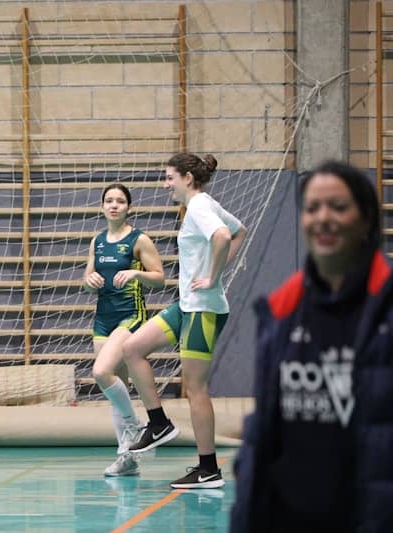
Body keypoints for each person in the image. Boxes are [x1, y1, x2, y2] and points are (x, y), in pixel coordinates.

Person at [231, 161, 393, 532]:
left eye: (338, 207)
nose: (323, 218)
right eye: (312, 208)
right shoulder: (279, 312)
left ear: (366, 219)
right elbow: (264, 432)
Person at [121, 153, 247, 489]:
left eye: (169, 177)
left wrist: (212, 276)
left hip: (203, 309)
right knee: (132, 349)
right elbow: (239, 231)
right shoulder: (204, 203)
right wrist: (212, 273)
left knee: (195, 389)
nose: (166, 184)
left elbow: (222, 236)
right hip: (187, 304)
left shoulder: (199, 207)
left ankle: (208, 469)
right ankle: (159, 423)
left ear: (187, 178)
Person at [85, 183, 165, 476]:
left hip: (130, 317)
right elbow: (87, 277)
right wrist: (88, 281)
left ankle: (138, 426)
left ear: (128, 207)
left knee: (100, 371)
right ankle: (127, 459)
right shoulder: (98, 241)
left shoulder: (139, 239)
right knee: (115, 388)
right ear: (103, 206)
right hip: (102, 319)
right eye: (109, 200)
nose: (114, 205)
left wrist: (135, 272)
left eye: (120, 201)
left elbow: (160, 278)